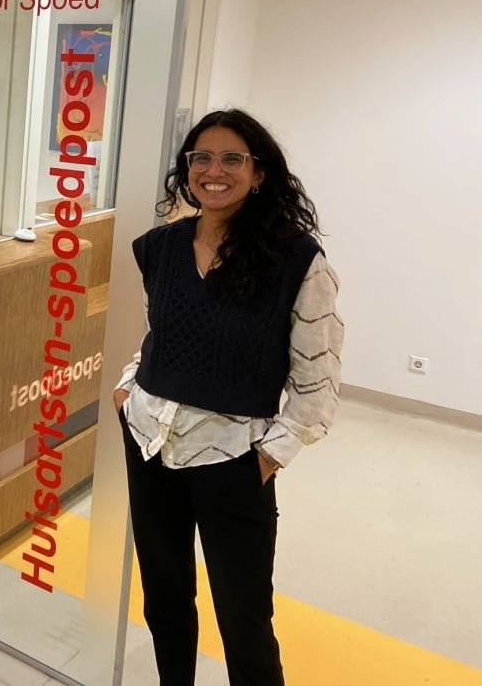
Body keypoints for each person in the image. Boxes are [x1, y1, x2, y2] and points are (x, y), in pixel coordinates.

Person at [112, 109, 343, 686]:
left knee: (244, 621)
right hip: (149, 448)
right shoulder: (160, 247)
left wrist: (265, 458)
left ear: (259, 172)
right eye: (201, 158)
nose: (214, 170)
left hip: (233, 462)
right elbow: (157, 333)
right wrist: (126, 391)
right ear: (187, 170)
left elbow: (318, 388)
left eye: (231, 158)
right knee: (165, 602)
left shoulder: (297, 262)